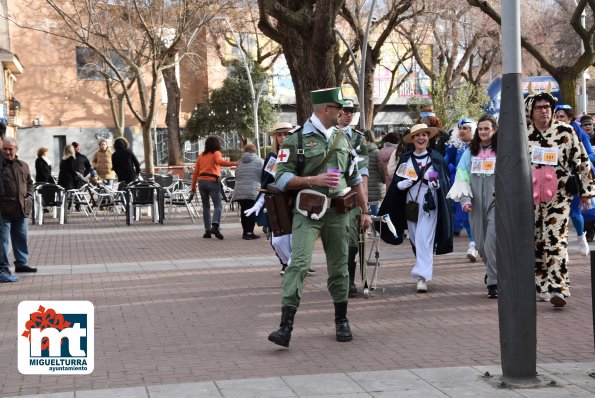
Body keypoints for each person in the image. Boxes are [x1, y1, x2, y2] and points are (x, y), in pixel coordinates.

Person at [268, 87, 371, 347]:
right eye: (339, 109)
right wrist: (313, 179)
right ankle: (285, 326)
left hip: (338, 212)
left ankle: (341, 320)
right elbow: (280, 178)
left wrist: (366, 211)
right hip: (307, 211)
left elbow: (355, 177)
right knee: (298, 264)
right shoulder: (296, 139)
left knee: (339, 268)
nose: (343, 114)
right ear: (326, 109)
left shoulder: (344, 138)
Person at [526, 91, 595, 308]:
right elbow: (509, 166)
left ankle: (558, 287)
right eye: (539, 107)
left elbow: (582, 161)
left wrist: (586, 192)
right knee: (536, 241)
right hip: (530, 198)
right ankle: (540, 286)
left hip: (560, 196)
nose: (544, 111)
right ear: (531, 111)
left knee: (555, 240)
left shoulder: (565, 131)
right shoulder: (523, 134)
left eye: (548, 107)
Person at [378, 123, 453, 293]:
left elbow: (444, 181)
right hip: (411, 205)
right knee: (414, 238)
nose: (421, 138)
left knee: (424, 238)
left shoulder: (436, 158)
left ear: (428, 138)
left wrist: (436, 185)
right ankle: (422, 269)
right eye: (417, 135)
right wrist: (400, 185)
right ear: (412, 139)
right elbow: (396, 182)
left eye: (424, 135)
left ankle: (422, 276)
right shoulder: (405, 159)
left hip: (429, 204)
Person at [447, 115, 498, 298]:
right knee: (482, 245)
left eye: (487, 129)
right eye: (481, 129)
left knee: (492, 241)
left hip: (496, 202)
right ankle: (492, 271)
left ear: (494, 130)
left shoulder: (501, 150)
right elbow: (462, 176)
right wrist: (465, 200)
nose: (484, 132)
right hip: (475, 203)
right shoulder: (471, 152)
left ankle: (493, 282)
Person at [337, 99, 369, 298]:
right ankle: (338, 277)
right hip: (333, 193)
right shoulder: (328, 136)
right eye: (345, 111)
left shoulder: (358, 139)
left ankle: (349, 279)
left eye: (352, 111)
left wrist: (363, 203)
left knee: (353, 239)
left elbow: (363, 173)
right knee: (336, 239)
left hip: (352, 195)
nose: (349, 115)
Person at [554, 104, 595, 256]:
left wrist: (578, 161)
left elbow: (590, 155)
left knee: (574, 213)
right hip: (554, 182)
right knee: (557, 215)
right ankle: (560, 246)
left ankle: (581, 236)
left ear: (570, 118)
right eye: (557, 116)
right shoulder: (549, 133)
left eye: (562, 116)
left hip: (574, 179)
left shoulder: (578, 133)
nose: (559, 119)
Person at [0, 137, 37, 278]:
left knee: (21, 237)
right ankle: (3, 267)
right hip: (3, 209)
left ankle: (21, 263)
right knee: (2, 240)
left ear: (16, 150)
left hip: (22, 208)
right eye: (5, 149)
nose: (8, 152)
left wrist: (30, 196)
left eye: (10, 149)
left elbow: (30, 183)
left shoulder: (23, 165)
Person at [444, 118, 479, 262]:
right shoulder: (455, 147)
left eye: (466, 128)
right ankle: (473, 244)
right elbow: (445, 162)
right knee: (466, 215)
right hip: (463, 185)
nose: (462, 131)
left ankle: (482, 243)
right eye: (460, 128)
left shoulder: (482, 146)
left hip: (481, 183)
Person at [191, 136, 238, 240]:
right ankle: (215, 226)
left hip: (201, 182)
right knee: (218, 206)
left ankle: (207, 231)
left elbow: (195, 173)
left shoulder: (201, 156)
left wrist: (193, 187)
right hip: (212, 181)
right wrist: (235, 163)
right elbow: (221, 162)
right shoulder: (216, 153)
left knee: (206, 207)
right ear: (217, 144)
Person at [232, 143, 264, 240]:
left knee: (243, 211)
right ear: (254, 151)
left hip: (240, 190)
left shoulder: (240, 162)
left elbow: (236, 175)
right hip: (253, 190)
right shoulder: (259, 161)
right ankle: (250, 232)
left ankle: (245, 232)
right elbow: (262, 174)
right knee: (251, 211)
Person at [365, 129, 385, 216]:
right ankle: (374, 228)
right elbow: (381, 169)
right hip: (376, 186)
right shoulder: (377, 152)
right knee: (374, 209)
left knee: (363, 209)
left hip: (362, 185)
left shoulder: (358, 151)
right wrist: (384, 180)